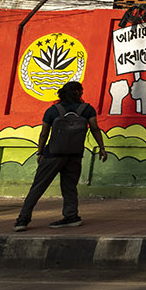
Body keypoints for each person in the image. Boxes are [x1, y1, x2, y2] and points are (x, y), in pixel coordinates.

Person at [13, 80, 107, 231]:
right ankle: (71, 216)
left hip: (53, 154)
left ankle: (22, 220)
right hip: (75, 154)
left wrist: (40, 151)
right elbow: (95, 129)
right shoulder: (87, 109)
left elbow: (44, 134)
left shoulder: (53, 110)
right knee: (70, 186)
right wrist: (102, 148)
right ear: (79, 93)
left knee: (38, 186)